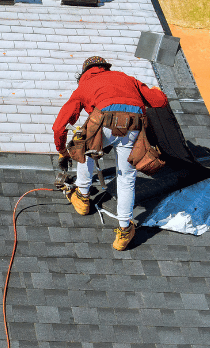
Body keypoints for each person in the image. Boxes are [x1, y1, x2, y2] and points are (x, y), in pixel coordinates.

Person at [53, 56, 168, 251]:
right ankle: (124, 230)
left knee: (85, 149)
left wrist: (63, 150)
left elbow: (59, 126)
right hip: (133, 125)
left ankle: (82, 197)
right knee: (126, 178)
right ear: (105, 68)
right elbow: (159, 101)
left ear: (84, 73)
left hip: (103, 122)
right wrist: (156, 90)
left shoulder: (85, 85)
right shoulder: (126, 78)